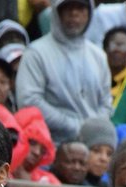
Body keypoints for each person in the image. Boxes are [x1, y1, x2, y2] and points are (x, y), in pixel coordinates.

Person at [14, 0, 113, 145]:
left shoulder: (98, 56)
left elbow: (106, 103)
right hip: (51, 146)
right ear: (56, 12)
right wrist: (74, 126)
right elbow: (29, 102)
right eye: (68, 8)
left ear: (90, 13)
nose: (74, 14)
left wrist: (92, 128)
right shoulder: (36, 52)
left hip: (92, 147)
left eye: (80, 8)